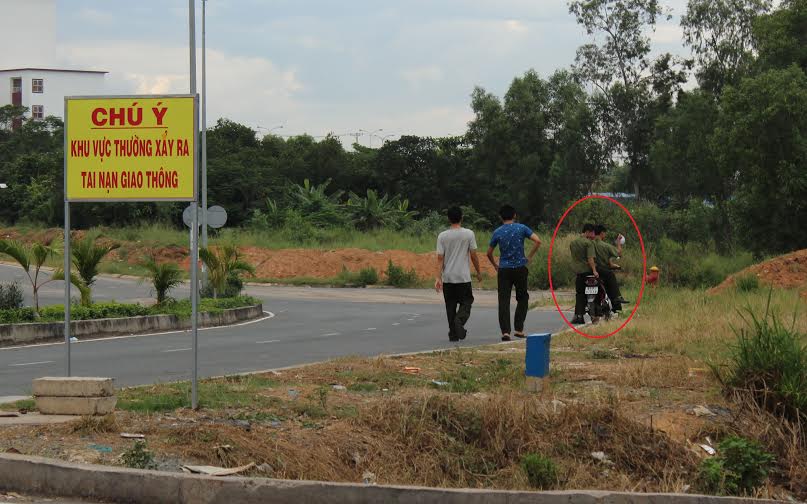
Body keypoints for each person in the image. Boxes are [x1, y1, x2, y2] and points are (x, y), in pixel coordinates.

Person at [485, 205, 542, 341]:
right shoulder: (522, 228)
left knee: (503, 300)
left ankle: (505, 332)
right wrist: (529, 257)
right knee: (522, 298)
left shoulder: (497, 232)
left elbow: (489, 253)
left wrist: (495, 265)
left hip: (504, 269)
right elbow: (538, 241)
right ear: (514, 215)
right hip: (520, 267)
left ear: (500, 217)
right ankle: (519, 328)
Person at [435, 207, 483, 342]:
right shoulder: (469, 234)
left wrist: (438, 278)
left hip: (448, 277)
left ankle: (453, 334)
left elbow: (440, 258)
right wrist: (479, 272)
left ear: (448, 219)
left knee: (450, 306)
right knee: (467, 302)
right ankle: (459, 321)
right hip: (463, 277)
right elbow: (473, 255)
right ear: (462, 217)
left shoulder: (442, 236)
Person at [592, 224, 629, 314]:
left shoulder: (590, 243)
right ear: (602, 233)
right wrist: (618, 243)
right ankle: (617, 299)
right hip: (601, 270)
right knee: (610, 278)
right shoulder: (605, 246)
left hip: (589, 270)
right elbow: (619, 253)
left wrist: (613, 265)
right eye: (605, 234)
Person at [569, 223, 597, 325]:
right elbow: (590, 258)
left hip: (578, 273)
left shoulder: (573, 243)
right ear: (588, 232)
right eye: (593, 232)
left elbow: (575, 258)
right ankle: (594, 315)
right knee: (593, 293)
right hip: (588, 272)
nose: (594, 235)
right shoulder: (588, 243)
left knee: (580, 294)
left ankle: (579, 316)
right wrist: (594, 270)